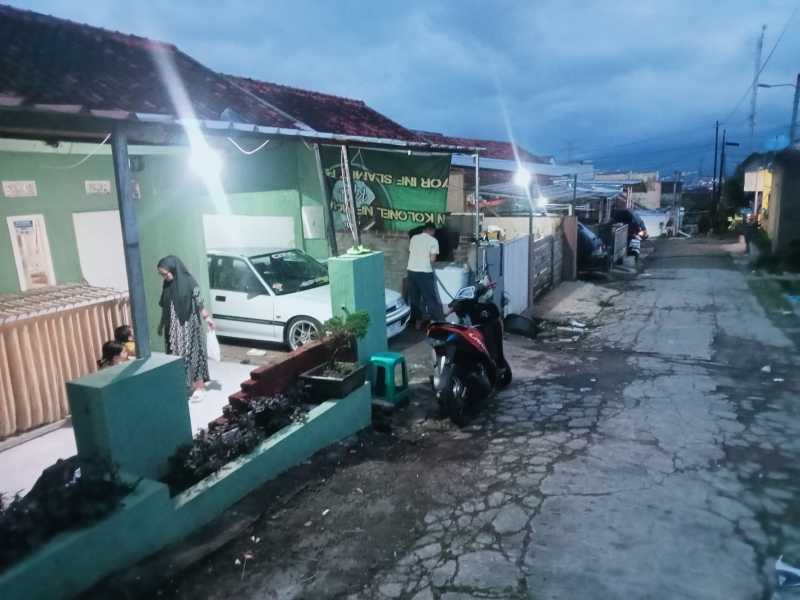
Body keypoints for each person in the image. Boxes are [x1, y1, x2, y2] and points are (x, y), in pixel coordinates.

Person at [156, 256, 215, 402]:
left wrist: (206, 316)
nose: (164, 277)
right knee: (175, 357)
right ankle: (184, 386)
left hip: (189, 328)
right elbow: (165, 306)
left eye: (165, 274)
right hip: (173, 331)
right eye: (161, 275)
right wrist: (161, 324)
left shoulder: (188, 281)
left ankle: (199, 388)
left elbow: (198, 300)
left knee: (192, 356)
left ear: (173, 269)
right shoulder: (166, 285)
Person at [407, 222, 445, 327]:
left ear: (424, 230)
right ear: (433, 231)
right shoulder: (433, 241)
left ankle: (417, 322)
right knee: (430, 298)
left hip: (411, 271)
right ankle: (433, 322)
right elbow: (432, 259)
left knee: (414, 299)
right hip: (424, 272)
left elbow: (411, 252)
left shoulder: (414, 238)